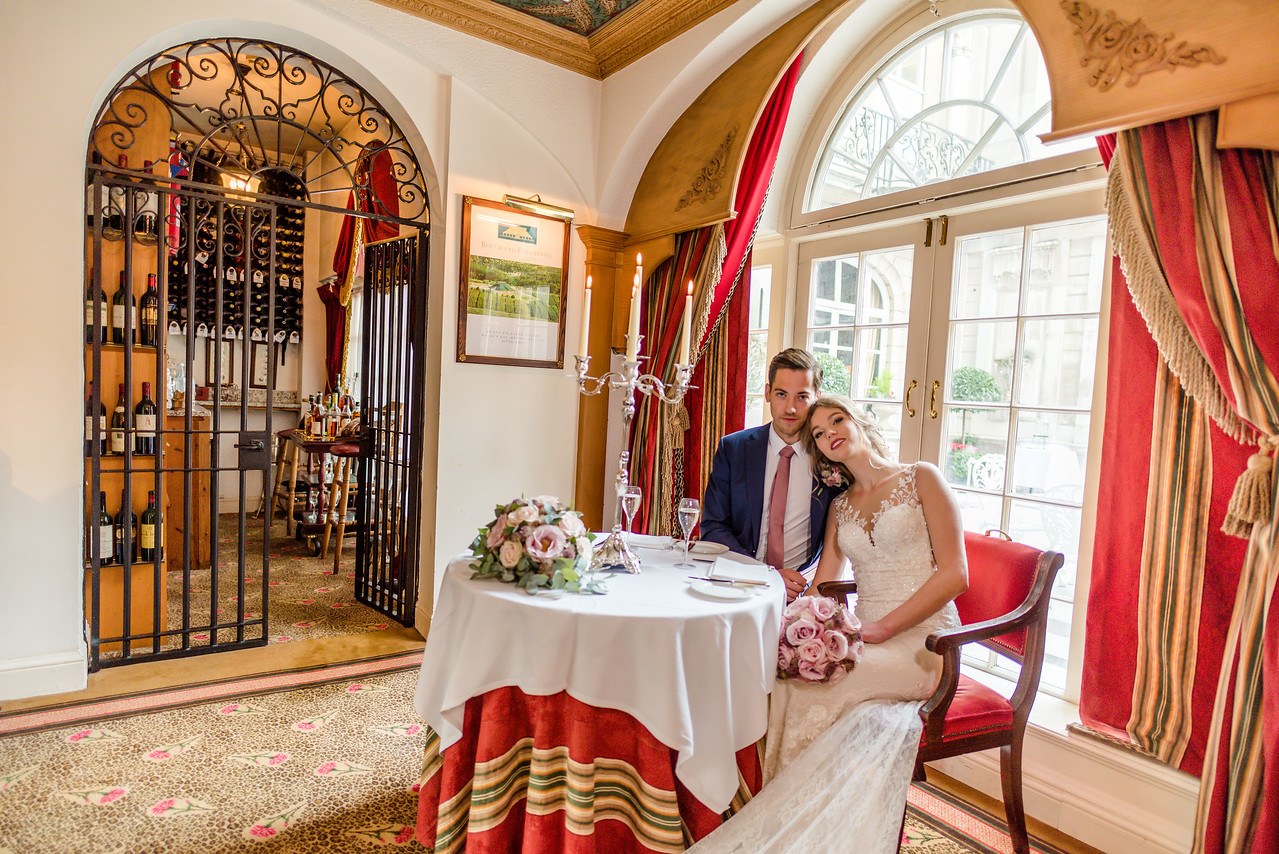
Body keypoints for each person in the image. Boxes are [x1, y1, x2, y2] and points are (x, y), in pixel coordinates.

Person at [763, 393, 968, 779]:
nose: (830, 434)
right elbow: (822, 586)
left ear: (860, 420)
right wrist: (783, 625)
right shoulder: (841, 507)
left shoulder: (921, 477)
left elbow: (956, 574)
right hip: (864, 637)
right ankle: (791, 809)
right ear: (821, 452)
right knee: (788, 678)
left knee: (821, 686)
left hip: (928, 644)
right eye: (819, 433)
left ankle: (807, 814)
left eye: (837, 420)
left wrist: (882, 628)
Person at [701, 349, 844, 603]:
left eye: (802, 397)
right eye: (781, 394)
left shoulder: (831, 457)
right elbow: (713, 527)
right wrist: (764, 574)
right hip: (739, 583)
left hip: (804, 591)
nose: (790, 407)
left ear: (816, 398)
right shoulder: (733, 449)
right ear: (767, 393)